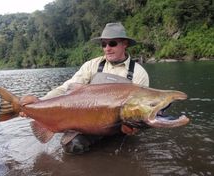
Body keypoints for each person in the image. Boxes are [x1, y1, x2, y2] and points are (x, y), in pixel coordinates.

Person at [20, 22, 149, 154]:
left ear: (125, 44)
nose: (107, 48)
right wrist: (39, 102)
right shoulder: (91, 65)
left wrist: (136, 128)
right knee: (72, 146)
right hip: (89, 126)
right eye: (104, 44)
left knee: (127, 154)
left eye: (112, 43)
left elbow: (144, 109)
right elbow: (66, 89)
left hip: (120, 128)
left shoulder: (139, 74)